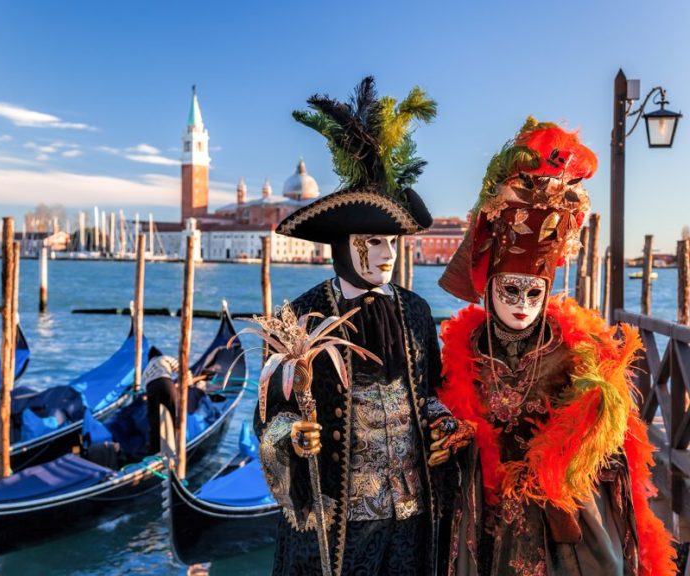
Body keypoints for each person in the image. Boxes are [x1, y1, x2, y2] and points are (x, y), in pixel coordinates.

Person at [436, 117, 676, 575]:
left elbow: (614, 443)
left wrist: (579, 437)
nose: (522, 305)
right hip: (485, 513)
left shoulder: (576, 350)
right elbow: (449, 416)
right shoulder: (465, 352)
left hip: (559, 516)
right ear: (490, 290)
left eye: (534, 293)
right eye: (510, 290)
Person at [254, 77, 473, 576]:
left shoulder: (416, 310)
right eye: (373, 242)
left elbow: (429, 390)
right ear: (343, 244)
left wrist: (443, 422)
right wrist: (293, 437)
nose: (386, 254)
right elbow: (269, 415)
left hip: (412, 517)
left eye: (392, 242)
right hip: (338, 524)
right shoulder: (301, 315)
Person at [142, 347, 205, 453]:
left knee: (155, 421)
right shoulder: (164, 358)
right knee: (175, 415)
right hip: (166, 384)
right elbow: (183, 370)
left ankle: (154, 450)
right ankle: (177, 444)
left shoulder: (146, 369)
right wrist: (189, 384)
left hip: (151, 390)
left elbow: (146, 388)